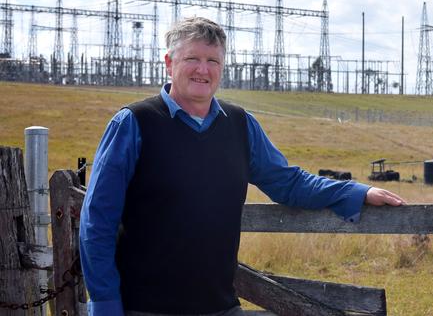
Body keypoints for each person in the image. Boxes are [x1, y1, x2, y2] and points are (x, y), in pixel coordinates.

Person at [79, 16, 405, 316]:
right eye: (192, 59)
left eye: (213, 61)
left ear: (222, 67)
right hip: (145, 307)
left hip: (220, 306)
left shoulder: (239, 125)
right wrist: (105, 303)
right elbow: (98, 221)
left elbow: (287, 182)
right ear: (169, 63)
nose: (202, 70)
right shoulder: (134, 124)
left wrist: (357, 191)